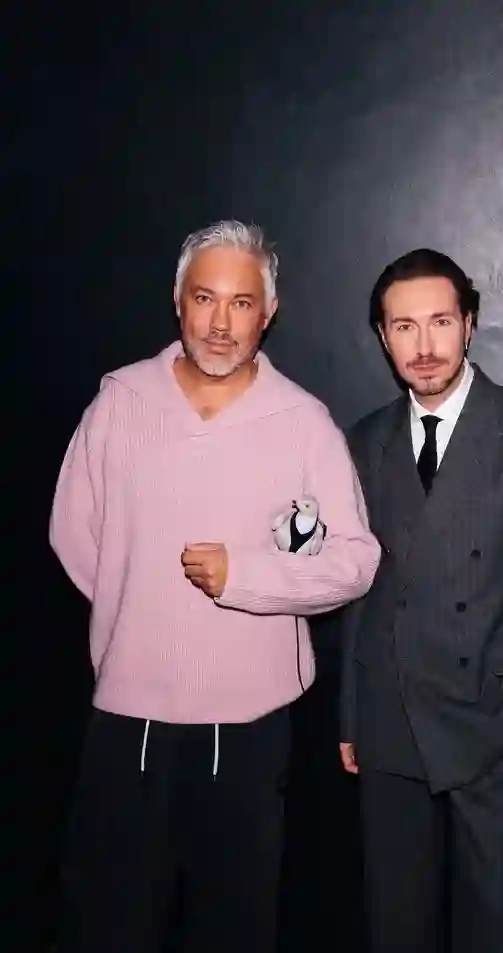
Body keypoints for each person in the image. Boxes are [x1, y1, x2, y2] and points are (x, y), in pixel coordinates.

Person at [50, 219, 380, 953]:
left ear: (269, 312)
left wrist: (247, 578)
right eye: (205, 298)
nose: (220, 323)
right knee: (106, 922)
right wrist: (142, 611)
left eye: (240, 303)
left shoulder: (304, 423)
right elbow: (74, 531)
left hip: (250, 727)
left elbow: (353, 561)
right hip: (127, 719)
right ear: (178, 301)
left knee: (234, 925)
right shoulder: (120, 401)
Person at [339, 248, 503, 953]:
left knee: (491, 922)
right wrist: (352, 714)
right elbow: (363, 590)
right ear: (382, 337)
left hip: (491, 720)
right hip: (389, 717)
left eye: (440, 322)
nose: (424, 346)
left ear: (470, 324)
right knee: (395, 921)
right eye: (404, 327)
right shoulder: (365, 440)